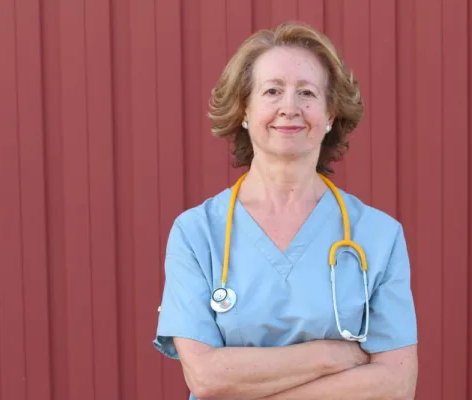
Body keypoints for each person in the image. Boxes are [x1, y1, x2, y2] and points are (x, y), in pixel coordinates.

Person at [153, 21, 418, 399]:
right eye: (272, 91)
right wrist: (331, 357)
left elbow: (395, 385)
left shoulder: (378, 236)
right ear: (244, 109)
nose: (289, 108)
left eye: (307, 93)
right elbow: (207, 378)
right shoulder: (197, 233)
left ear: (330, 115)